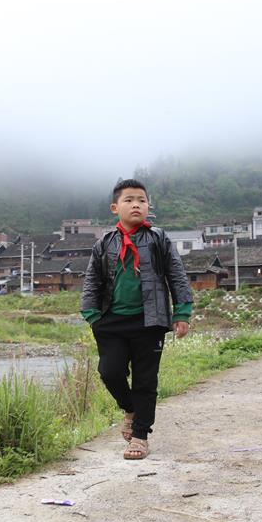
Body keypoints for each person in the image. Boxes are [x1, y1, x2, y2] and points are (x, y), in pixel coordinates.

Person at [81, 178, 193, 460]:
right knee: (110, 372)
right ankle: (129, 409)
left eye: (141, 200)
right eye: (129, 200)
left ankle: (141, 436)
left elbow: (176, 275)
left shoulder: (159, 239)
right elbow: (92, 281)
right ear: (114, 207)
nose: (136, 205)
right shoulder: (104, 243)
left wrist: (182, 313)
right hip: (111, 322)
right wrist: (93, 315)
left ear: (148, 207)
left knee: (146, 380)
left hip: (149, 321)